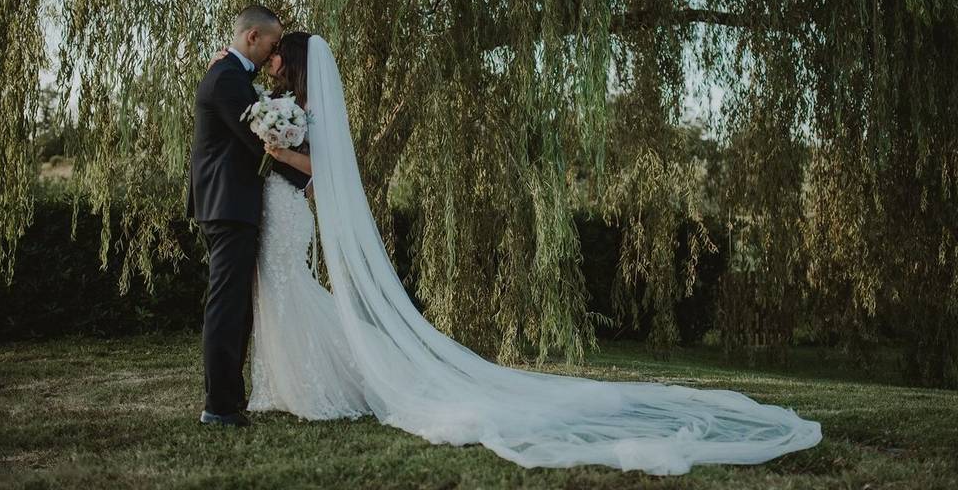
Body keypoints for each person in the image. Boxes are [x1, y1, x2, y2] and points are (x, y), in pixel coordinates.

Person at [214, 32, 822, 475]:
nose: (269, 64)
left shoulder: (303, 113)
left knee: (288, 283)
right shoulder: (287, 104)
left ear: (290, 63)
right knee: (281, 287)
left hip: (287, 207)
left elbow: (320, 169)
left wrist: (274, 144)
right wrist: (265, 120)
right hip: (277, 204)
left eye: (275, 58)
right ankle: (293, 383)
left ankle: (327, 383)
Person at [186, 6, 310, 427]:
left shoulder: (232, 76)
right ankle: (219, 406)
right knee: (227, 305)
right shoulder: (227, 80)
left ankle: (227, 401)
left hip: (229, 204)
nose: (273, 54)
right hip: (228, 204)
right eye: (273, 45)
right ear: (253, 37)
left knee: (234, 304)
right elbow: (260, 140)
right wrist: (306, 167)